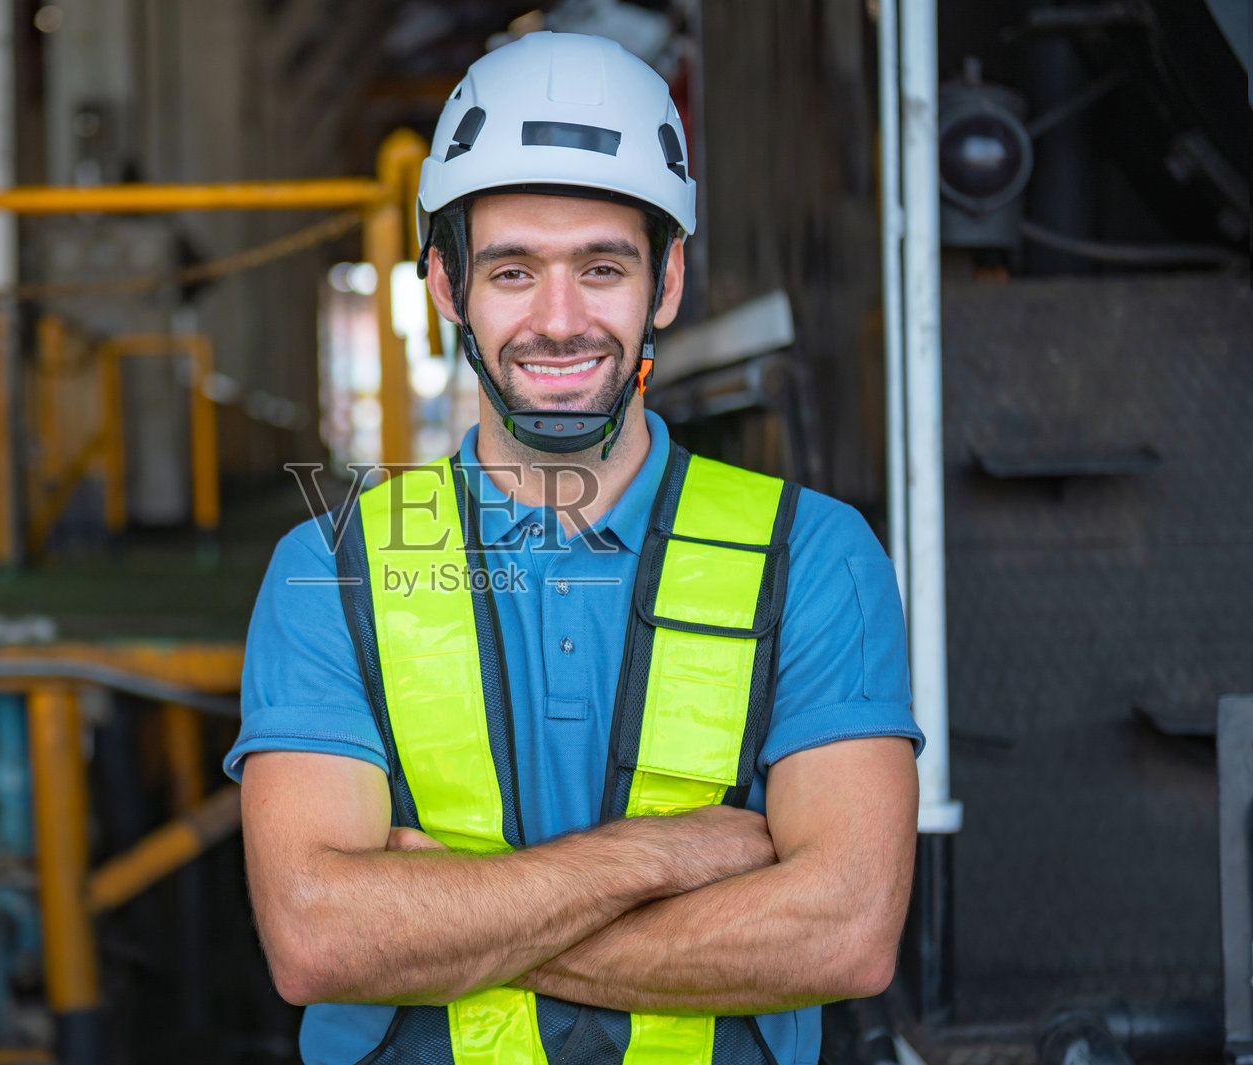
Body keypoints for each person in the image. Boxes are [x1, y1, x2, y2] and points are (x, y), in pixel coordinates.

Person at [226, 30, 923, 1065]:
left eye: (602, 267)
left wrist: (445, 917)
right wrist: (657, 857)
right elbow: (320, 940)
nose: (559, 322)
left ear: (667, 282)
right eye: (513, 270)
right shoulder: (330, 569)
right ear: (446, 288)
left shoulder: (814, 556)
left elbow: (844, 933)